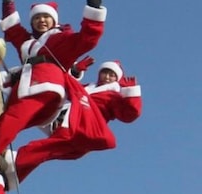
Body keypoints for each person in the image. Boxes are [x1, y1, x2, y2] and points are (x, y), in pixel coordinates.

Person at [0, 0, 107, 157]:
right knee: (9, 120)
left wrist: (94, 8)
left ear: (54, 20)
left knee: (12, 119)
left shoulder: (61, 38)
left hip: (46, 86)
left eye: (46, 17)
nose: (41, 20)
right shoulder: (26, 41)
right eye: (37, 18)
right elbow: (11, 27)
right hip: (24, 86)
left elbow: (87, 39)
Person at [11, 59, 143, 183]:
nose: (107, 77)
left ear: (117, 79)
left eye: (112, 75)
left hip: (81, 130)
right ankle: (11, 176)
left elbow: (130, 114)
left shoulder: (113, 96)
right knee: (44, 152)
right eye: (105, 73)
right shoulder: (89, 88)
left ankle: (13, 162)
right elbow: (69, 87)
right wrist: (74, 71)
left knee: (42, 149)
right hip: (66, 124)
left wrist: (131, 94)